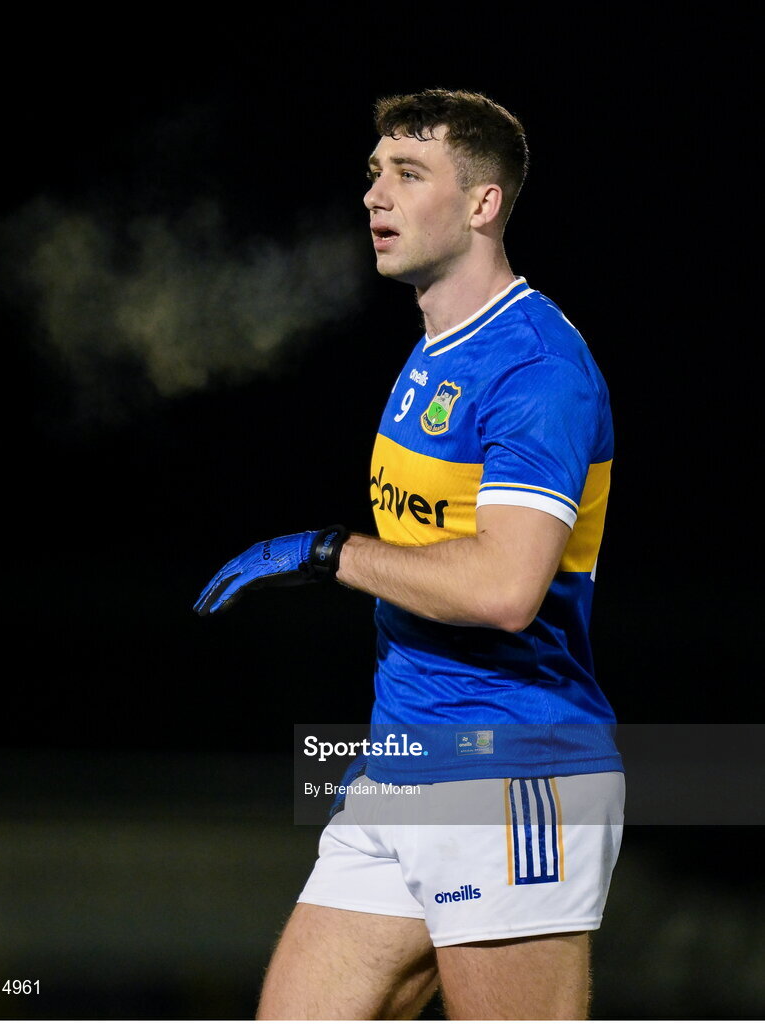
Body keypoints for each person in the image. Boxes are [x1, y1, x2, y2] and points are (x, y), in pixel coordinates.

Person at [195, 88, 624, 1021]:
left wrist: (326, 553)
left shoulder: (534, 369)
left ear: (482, 204)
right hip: (402, 762)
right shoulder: (434, 351)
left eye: (407, 173)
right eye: (373, 173)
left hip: (511, 769)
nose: (373, 196)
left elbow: (506, 589)